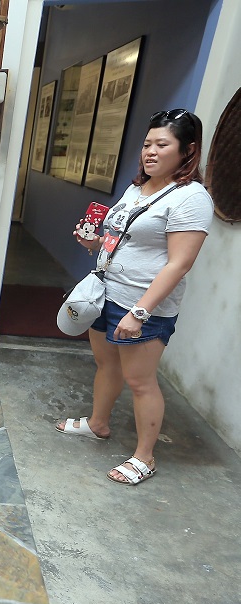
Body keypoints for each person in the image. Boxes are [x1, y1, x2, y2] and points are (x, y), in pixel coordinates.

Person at [56, 108, 213, 485]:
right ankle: (98, 424)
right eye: (147, 144)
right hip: (106, 294)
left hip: (143, 306)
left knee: (140, 380)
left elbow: (179, 264)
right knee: (106, 364)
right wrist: (94, 244)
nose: (151, 152)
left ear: (187, 151)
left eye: (162, 144)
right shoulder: (136, 189)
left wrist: (140, 312)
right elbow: (123, 241)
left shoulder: (191, 198)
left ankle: (145, 457)